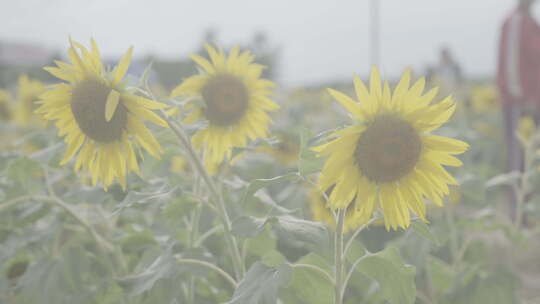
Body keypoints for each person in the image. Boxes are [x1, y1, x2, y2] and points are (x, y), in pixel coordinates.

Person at [497, 0, 540, 219]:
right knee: (518, 155)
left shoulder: (531, 22)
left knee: (530, 156)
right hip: (520, 102)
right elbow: (511, 63)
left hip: (532, 99)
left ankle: (527, 210)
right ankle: (517, 214)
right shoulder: (515, 21)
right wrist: (524, 98)